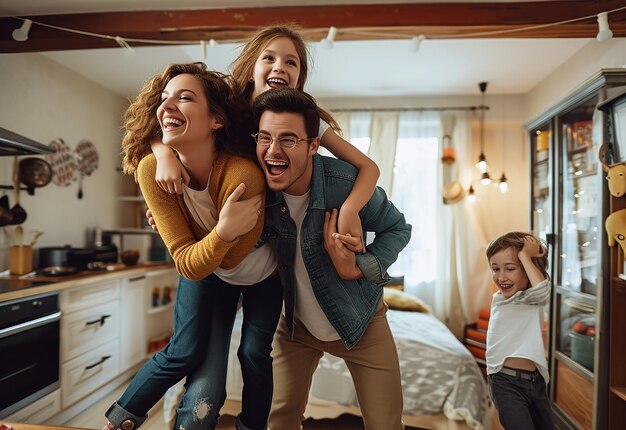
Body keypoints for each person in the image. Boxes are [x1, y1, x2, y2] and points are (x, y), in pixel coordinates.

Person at [104, 63, 283, 430]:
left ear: (216, 120)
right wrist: (223, 229)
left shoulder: (242, 176)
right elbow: (193, 265)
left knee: (252, 352)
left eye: (184, 98)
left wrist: (208, 237)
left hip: (259, 274)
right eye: (165, 98)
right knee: (194, 368)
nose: (168, 105)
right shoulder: (151, 169)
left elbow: (229, 259)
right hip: (209, 271)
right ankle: (119, 423)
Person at [250, 87, 411, 430]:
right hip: (295, 326)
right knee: (278, 421)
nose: (273, 151)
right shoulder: (253, 188)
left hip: (361, 322)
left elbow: (398, 229)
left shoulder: (344, 183)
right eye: (265, 138)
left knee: (386, 425)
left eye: (289, 140)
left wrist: (356, 269)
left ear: (313, 145)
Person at [151, 24, 379, 251]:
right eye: (269, 58)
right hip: (211, 233)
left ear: (298, 81)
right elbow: (160, 128)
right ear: (251, 71)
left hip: (268, 239)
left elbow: (369, 167)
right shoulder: (226, 108)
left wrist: (350, 210)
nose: (279, 67)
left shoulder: (305, 120)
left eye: (291, 62)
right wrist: (164, 156)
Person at [485, 232, 554, 430]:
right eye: (495, 268)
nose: (501, 277)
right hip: (506, 382)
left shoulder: (532, 296)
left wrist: (527, 256)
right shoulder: (504, 299)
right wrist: (524, 256)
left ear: (531, 269)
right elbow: (541, 290)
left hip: (536, 382)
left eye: (510, 269)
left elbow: (541, 288)